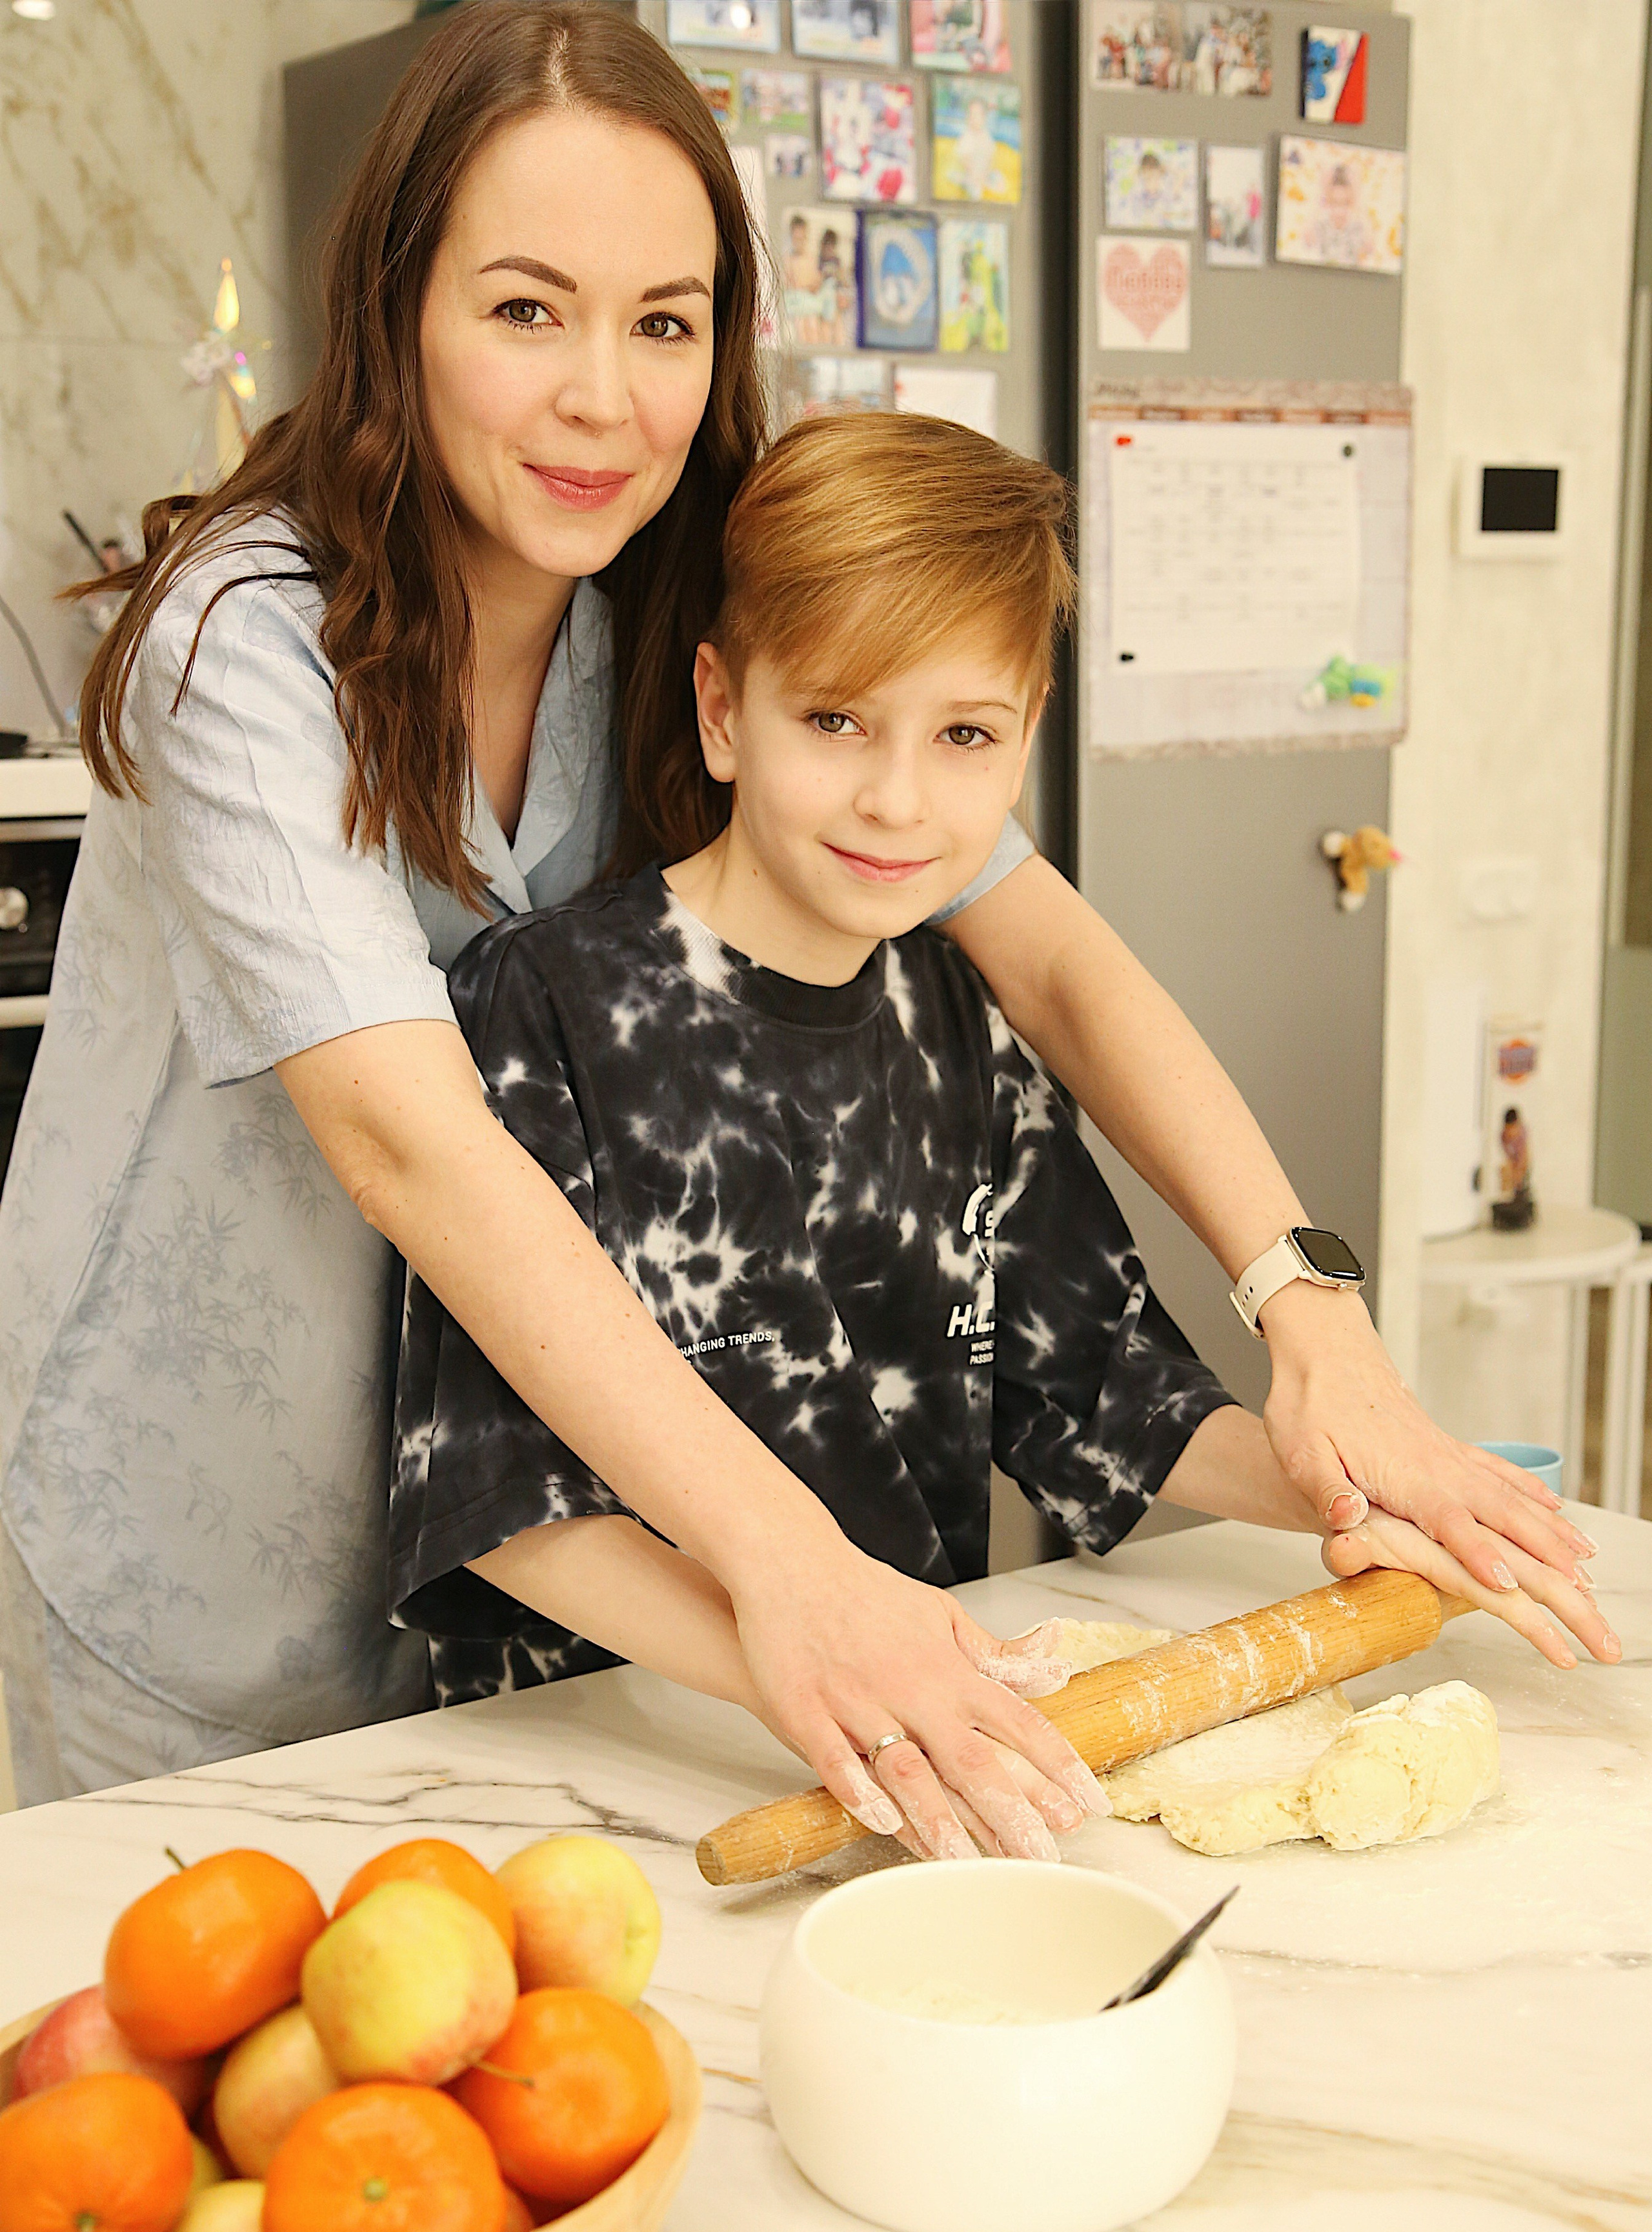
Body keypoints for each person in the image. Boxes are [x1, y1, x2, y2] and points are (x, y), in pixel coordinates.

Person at [0, 2, 1604, 1824]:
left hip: (573, 1560)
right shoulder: (244, 640)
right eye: (526, 308)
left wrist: (1313, 1321)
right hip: (211, 1520)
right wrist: (788, 1571)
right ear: (399, 309)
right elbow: (408, 1140)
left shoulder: (666, 587)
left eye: (664, 322)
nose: (605, 394)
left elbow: (1054, 956)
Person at [389, 414, 1602, 1859]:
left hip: (920, 1777)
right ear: (722, 710)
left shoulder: (948, 1006)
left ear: (1024, 736)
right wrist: (835, 1681)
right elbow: (496, 1503)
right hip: (614, 1771)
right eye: (833, 721)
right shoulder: (543, 1002)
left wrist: (1354, 1489)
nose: (898, 799)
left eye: (963, 735)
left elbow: (1088, 1388)